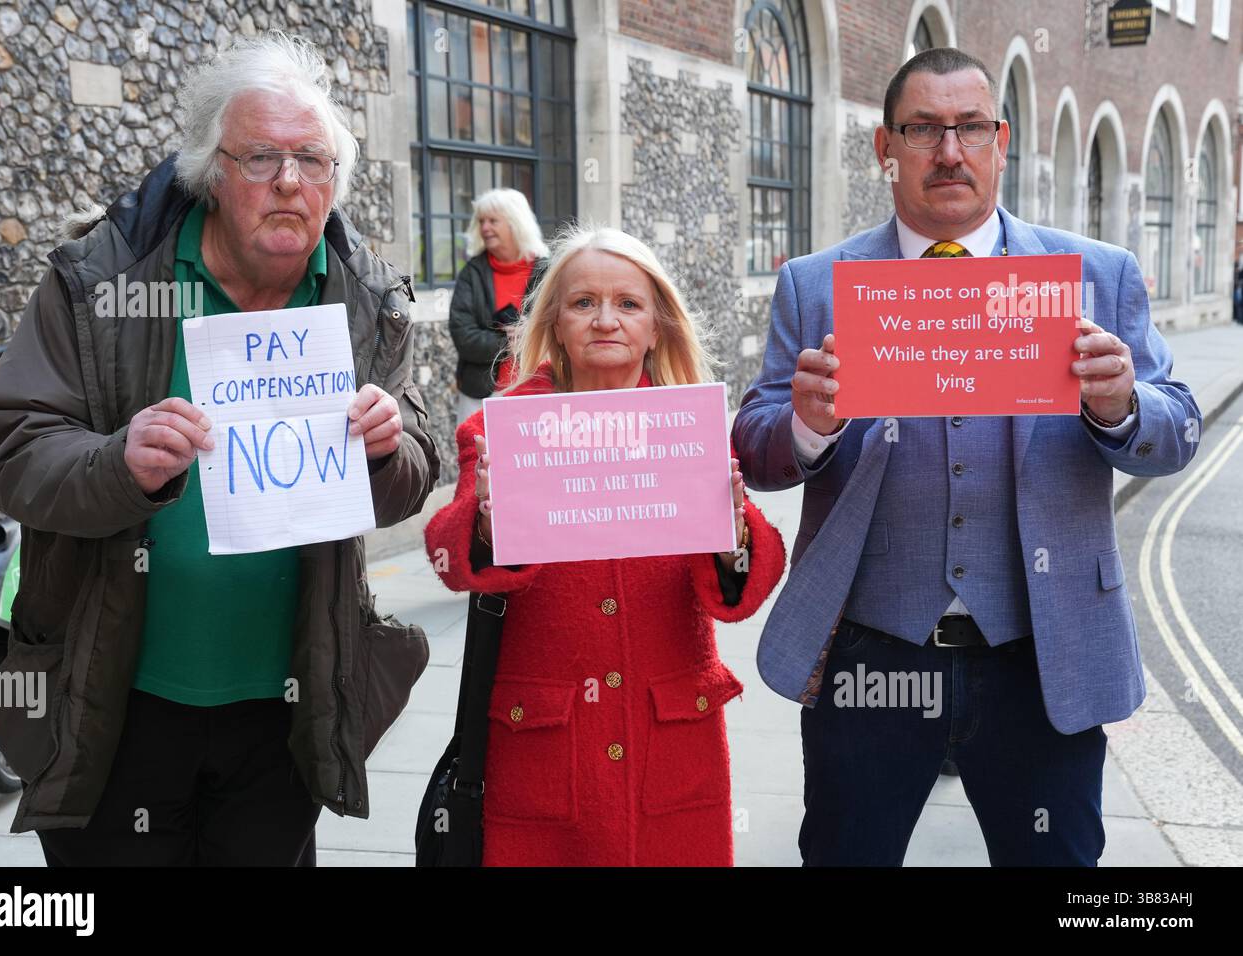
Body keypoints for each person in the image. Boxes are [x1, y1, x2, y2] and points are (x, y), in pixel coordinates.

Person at [0, 33, 439, 866]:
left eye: (312, 159)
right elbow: (15, 451)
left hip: (291, 700)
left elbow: (409, 478)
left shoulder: (367, 299)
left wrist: (386, 450)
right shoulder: (103, 280)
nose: (290, 181)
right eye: (260, 157)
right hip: (114, 699)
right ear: (211, 173)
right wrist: (116, 464)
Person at [733, 47, 1200, 866]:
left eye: (970, 127)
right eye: (923, 129)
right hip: (871, 655)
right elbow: (755, 448)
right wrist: (808, 425)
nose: (949, 151)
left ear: (1001, 140)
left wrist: (1123, 405)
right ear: (886, 148)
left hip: (1041, 654)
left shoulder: (1095, 275)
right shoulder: (816, 285)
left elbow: (1178, 432)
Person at [424, 226, 786, 866]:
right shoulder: (503, 428)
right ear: (556, 323)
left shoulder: (687, 426)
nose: (605, 320)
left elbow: (745, 587)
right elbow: (450, 556)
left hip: (671, 747)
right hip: (543, 752)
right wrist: (486, 525)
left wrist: (734, 539)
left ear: (657, 327)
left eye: (628, 304)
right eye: (583, 303)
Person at [449, 188, 549, 424]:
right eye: (481, 221)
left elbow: (564, 325)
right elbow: (462, 335)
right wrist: (508, 343)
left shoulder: (548, 270)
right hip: (480, 393)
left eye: (493, 221)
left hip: (537, 389)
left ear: (515, 223)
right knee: (476, 456)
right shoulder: (472, 273)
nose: (485, 228)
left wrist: (532, 335)